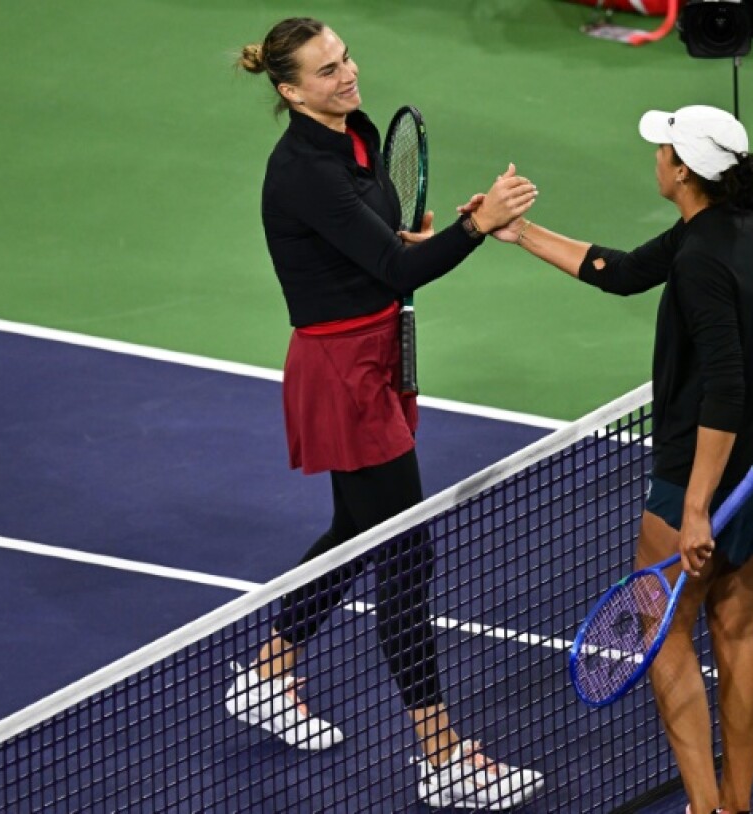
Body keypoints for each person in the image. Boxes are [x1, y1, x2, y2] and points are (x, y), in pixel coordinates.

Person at [471, 105, 753, 814]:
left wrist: (695, 507)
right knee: (738, 627)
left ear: (685, 170)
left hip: (714, 475)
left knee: (663, 636)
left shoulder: (701, 261)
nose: (658, 157)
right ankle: (736, 806)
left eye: (665, 148)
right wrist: (519, 232)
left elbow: (724, 390)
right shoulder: (739, 225)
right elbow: (626, 272)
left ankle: (704, 808)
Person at [228, 17, 544, 811]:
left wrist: (417, 240)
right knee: (407, 554)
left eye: (345, 59)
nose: (347, 75)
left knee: (354, 530)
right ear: (289, 90)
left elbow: (387, 247)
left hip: (378, 352)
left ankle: (268, 671)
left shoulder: (359, 134)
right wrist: (475, 226)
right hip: (343, 373)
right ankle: (442, 756)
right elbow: (399, 267)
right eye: (326, 71)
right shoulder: (302, 170)